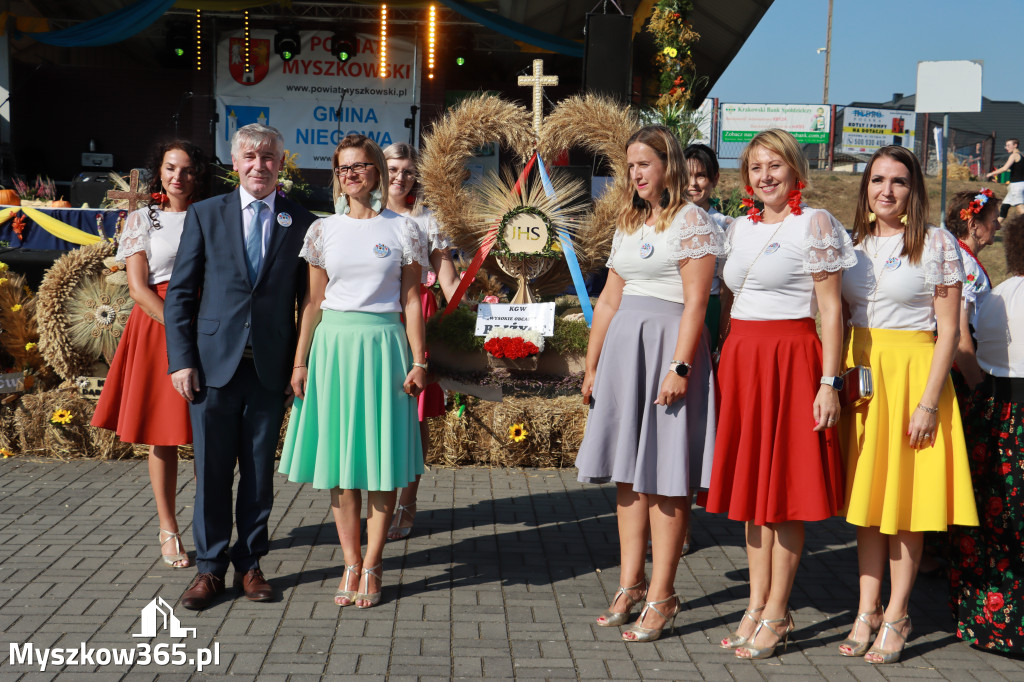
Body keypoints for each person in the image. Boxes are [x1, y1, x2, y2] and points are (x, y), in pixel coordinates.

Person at [706, 128, 855, 660]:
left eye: (775, 166)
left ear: (794, 170)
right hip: (744, 362)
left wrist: (829, 382)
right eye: (754, 168)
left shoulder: (812, 223)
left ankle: (778, 611)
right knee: (752, 494)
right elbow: (726, 298)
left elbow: (832, 310)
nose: (764, 176)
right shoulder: (738, 227)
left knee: (785, 494)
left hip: (792, 361)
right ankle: (754, 603)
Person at [575, 125, 723, 644]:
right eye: (630, 165)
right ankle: (629, 584)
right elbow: (609, 301)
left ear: (669, 166)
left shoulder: (693, 221)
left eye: (645, 164)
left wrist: (681, 367)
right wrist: (592, 366)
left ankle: (663, 594)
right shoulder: (629, 221)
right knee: (626, 475)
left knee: (665, 477)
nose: (636, 173)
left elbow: (698, 304)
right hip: (623, 353)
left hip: (667, 352)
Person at [164, 123, 316, 610]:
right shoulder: (207, 214)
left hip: (269, 370)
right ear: (235, 164)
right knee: (211, 472)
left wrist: (300, 364)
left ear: (281, 162)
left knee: (257, 472)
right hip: (212, 369)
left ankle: (250, 564)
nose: (259, 164)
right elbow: (181, 295)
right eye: (250, 156)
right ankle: (209, 570)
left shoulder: (302, 220)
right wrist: (182, 360)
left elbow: (307, 302)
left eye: (268, 156)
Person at [838, 145, 979, 663]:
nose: (886, 191)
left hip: (915, 381)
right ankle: (866, 609)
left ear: (914, 189)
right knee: (869, 510)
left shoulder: (936, 243)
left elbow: (949, 334)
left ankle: (897, 614)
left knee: (905, 509)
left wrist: (928, 404)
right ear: (866, 187)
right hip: (865, 384)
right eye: (877, 180)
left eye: (898, 181)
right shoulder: (850, 244)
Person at [278, 134, 428, 609]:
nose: (352, 174)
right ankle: (349, 560)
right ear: (336, 176)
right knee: (343, 467)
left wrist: (420, 360)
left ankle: (375, 562)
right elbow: (314, 303)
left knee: (382, 463)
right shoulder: (323, 231)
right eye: (344, 168)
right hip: (334, 350)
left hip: (385, 347)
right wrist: (300, 362)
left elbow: (411, 301)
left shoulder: (403, 230)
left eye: (361, 166)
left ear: (377, 171)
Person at [92, 140, 207, 569]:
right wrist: (183, 330)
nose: (178, 176)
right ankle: (168, 527)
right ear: (159, 171)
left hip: (204, 324)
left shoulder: (210, 215)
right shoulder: (143, 219)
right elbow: (139, 288)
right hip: (159, 324)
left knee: (205, 433)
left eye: (188, 170)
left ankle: (208, 528)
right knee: (164, 433)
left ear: (198, 176)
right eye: (171, 168)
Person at [951, 213, 1024, 654]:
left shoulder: (998, 294)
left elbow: (971, 348)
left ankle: (987, 620)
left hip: (992, 414)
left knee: (992, 521)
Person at [381, 142, 460, 542]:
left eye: (408, 171)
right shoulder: (361, 214)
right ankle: (380, 501)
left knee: (414, 418)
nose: (400, 176)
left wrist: (484, 304)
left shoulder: (428, 220)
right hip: (375, 321)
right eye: (393, 168)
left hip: (419, 320)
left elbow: (448, 282)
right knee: (379, 414)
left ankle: (407, 502)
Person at [947, 188, 1002, 404]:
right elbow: (959, 331)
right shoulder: (965, 264)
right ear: (973, 226)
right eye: (994, 220)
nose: (998, 226)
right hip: (961, 370)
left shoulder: (962, 257)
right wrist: (977, 388)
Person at [986, 139, 1023, 219]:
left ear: (1015, 145)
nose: (1006, 147)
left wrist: (991, 173)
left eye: (1008, 145)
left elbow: (1005, 168)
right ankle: (996, 228)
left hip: (1016, 186)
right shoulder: (1022, 155)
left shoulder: (1014, 155)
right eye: (1006, 145)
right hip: (1018, 185)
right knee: (1004, 208)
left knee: (1021, 209)